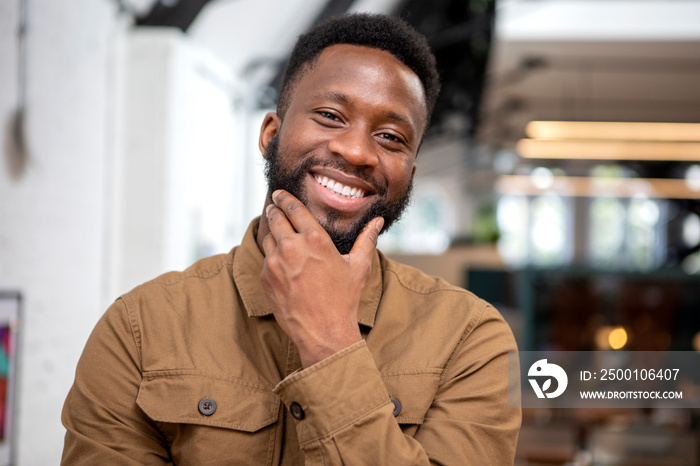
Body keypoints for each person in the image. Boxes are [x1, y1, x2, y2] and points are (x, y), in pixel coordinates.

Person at [61, 13, 520, 465]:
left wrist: (331, 343)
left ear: (410, 175)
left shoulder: (469, 340)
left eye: (390, 137)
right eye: (329, 116)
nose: (357, 151)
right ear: (271, 135)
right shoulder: (140, 329)